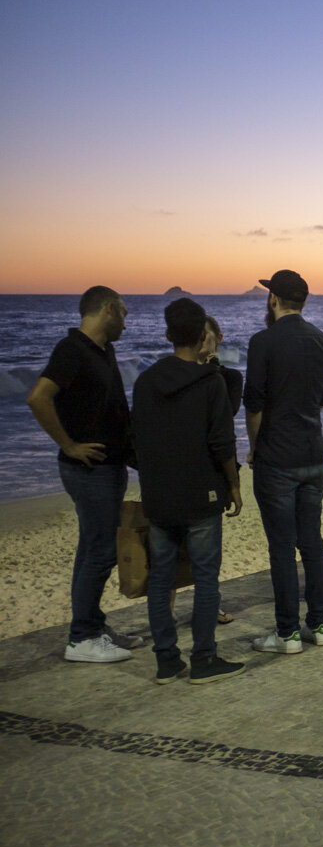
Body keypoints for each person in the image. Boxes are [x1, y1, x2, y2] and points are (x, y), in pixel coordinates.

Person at [26, 286, 145, 662]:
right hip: (88, 470)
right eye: (124, 313)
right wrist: (69, 444)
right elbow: (38, 397)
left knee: (90, 549)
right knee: (101, 551)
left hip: (108, 467)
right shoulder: (72, 350)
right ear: (108, 309)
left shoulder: (101, 350)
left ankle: (91, 624)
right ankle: (82, 638)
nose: (127, 322)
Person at [130, 299, 246, 685]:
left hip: (159, 496)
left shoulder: (146, 381)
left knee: (161, 577)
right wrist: (233, 484)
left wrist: (153, 475)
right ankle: (204, 658)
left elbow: (135, 439)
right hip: (201, 495)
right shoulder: (210, 382)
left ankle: (166, 660)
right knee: (205, 577)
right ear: (201, 336)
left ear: (167, 335)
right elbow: (221, 441)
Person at [246, 269, 323, 654]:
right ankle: (319, 624)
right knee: (312, 543)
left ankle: (286, 634)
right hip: (314, 454)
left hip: (277, 459)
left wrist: (254, 447)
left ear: (273, 299)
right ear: (303, 301)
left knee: (282, 548)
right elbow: (319, 401)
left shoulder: (263, 342)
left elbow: (254, 405)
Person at [200, 314, 242, 625]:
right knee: (170, 549)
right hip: (179, 466)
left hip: (213, 466)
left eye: (208, 337)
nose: (203, 343)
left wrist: (212, 372)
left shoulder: (230, 378)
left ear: (219, 338)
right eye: (197, 337)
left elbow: (225, 418)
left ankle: (209, 605)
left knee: (209, 548)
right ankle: (171, 609)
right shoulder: (173, 375)